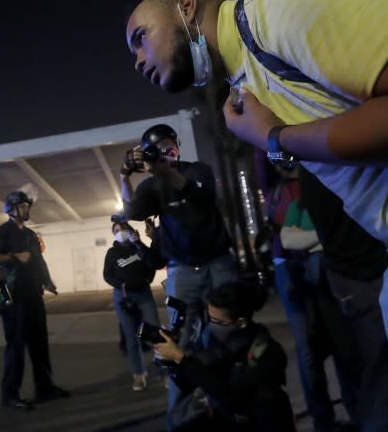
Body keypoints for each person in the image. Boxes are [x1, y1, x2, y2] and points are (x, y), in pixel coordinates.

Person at [123, 0, 388, 428]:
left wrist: (277, 137)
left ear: (186, 8)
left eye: (139, 37)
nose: (136, 59)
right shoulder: (248, 85)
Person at [120, 123, 238, 429]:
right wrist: (124, 175)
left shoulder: (197, 170)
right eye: (157, 148)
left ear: (177, 145)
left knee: (226, 337)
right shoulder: (151, 186)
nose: (165, 151)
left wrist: (163, 170)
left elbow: (202, 196)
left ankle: (230, 410)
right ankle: (179, 420)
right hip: (182, 270)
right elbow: (131, 211)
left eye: (169, 144)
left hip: (218, 264)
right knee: (177, 344)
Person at [297, 167, 388, 432]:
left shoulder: (306, 152)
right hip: (364, 274)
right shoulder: (331, 152)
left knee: (374, 371)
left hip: (349, 275)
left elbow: (274, 152)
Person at [264, 163, 360, 432]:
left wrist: (313, 240)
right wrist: (319, 240)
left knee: (341, 338)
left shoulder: (322, 180)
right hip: (291, 267)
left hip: (325, 267)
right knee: (307, 348)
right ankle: (323, 419)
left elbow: (336, 231)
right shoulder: (279, 189)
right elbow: (288, 239)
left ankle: (354, 409)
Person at [154, 281, 296, 432]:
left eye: (218, 321)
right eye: (210, 318)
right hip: (228, 415)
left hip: (260, 421)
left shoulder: (269, 353)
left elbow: (228, 393)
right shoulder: (216, 341)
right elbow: (191, 383)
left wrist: (181, 358)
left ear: (241, 322)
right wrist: (171, 362)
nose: (211, 325)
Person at [0, 190, 69, 409]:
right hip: (11, 295)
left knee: (39, 344)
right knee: (15, 346)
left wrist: (48, 282)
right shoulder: (2, 233)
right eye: (22, 206)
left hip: (34, 294)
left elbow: (39, 261)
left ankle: (45, 388)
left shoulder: (31, 235)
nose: (26, 210)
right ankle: (10, 395)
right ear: (11, 209)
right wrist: (13, 257)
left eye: (27, 206)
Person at [103, 220, 161, 391]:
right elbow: (107, 275)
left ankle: (165, 371)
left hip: (144, 294)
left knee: (156, 333)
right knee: (132, 337)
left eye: (122, 228)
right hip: (124, 296)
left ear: (129, 230)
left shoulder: (138, 247)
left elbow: (151, 263)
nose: (119, 231)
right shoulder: (112, 252)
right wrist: (120, 285)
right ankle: (139, 374)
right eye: (116, 230)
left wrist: (147, 280)